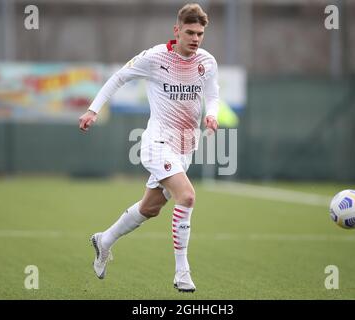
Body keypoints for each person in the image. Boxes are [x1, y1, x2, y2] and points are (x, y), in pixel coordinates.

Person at [78, 3, 219, 293]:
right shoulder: (155, 57)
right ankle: (182, 273)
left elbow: (212, 93)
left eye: (200, 33)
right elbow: (119, 77)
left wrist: (212, 113)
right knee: (188, 196)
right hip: (156, 144)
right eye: (190, 32)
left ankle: (103, 240)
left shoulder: (206, 61)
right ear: (177, 30)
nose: (195, 38)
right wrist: (93, 110)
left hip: (184, 148)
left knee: (150, 208)